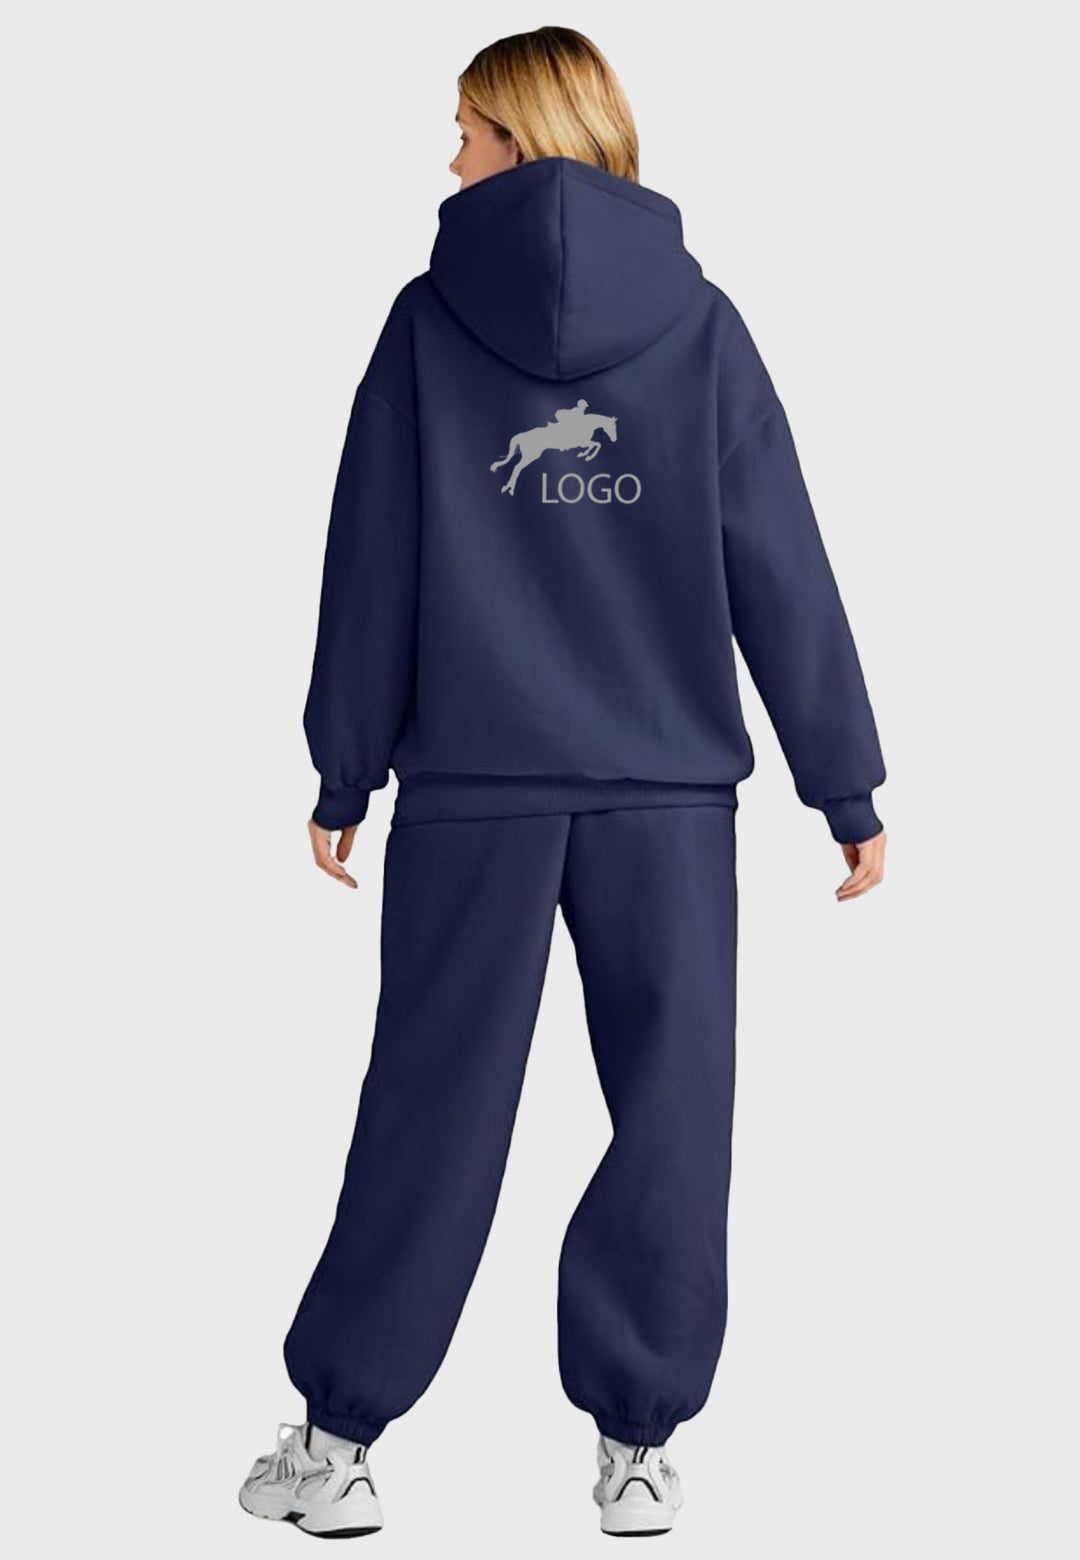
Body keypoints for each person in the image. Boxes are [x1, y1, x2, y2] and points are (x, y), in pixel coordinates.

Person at [238, 24, 887, 1541]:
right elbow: (780, 565)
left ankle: (338, 1443)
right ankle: (638, 1445)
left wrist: (344, 765)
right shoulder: (702, 324)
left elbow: (373, 560)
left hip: (474, 788)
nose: (449, 159)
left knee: (430, 1104)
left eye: (466, 132)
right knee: (677, 1107)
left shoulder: (424, 323)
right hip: (670, 798)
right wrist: (843, 782)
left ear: (524, 140)